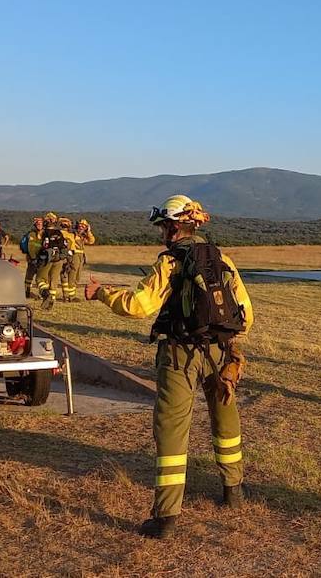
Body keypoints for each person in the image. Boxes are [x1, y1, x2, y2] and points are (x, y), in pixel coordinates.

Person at [85, 195, 252, 539]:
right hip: (221, 354)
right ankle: (233, 490)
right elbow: (246, 316)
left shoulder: (170, 262)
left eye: (163, 226)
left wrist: (102, 293)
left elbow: (139, 305)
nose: (162, 232)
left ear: (174, 227)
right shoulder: (223, 260)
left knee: (172, 429)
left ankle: (166, 518)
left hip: (179, 355)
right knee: (226, 418)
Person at [67, 218, 96, 299]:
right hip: (74, 255)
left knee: (77, 276)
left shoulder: (83, 236)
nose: (81, 227)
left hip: (81, 256)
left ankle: (72, 294)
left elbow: (91, 241)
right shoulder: (72, 234)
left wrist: (88, 232)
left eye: (84, 226)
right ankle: (70, 296)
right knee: (72, 275)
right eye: (80, 226)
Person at [56, 217, 81, 302]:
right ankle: (69, 296)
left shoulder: (71, 234)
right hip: (64, 256)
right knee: (67, 276)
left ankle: (68, 296)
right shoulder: (61, 234)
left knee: (67, 276)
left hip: (68, 256)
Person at [22, 216, 45, 296]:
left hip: (41, 259)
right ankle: (26, 292)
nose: (39, 225)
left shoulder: (45, 234)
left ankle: (42, 293)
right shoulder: (32, 234)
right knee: (29, 276)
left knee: (41, 277)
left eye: (40, 223)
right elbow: (30, 247)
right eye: (38, 224)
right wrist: (33, 257)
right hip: (33, 259)